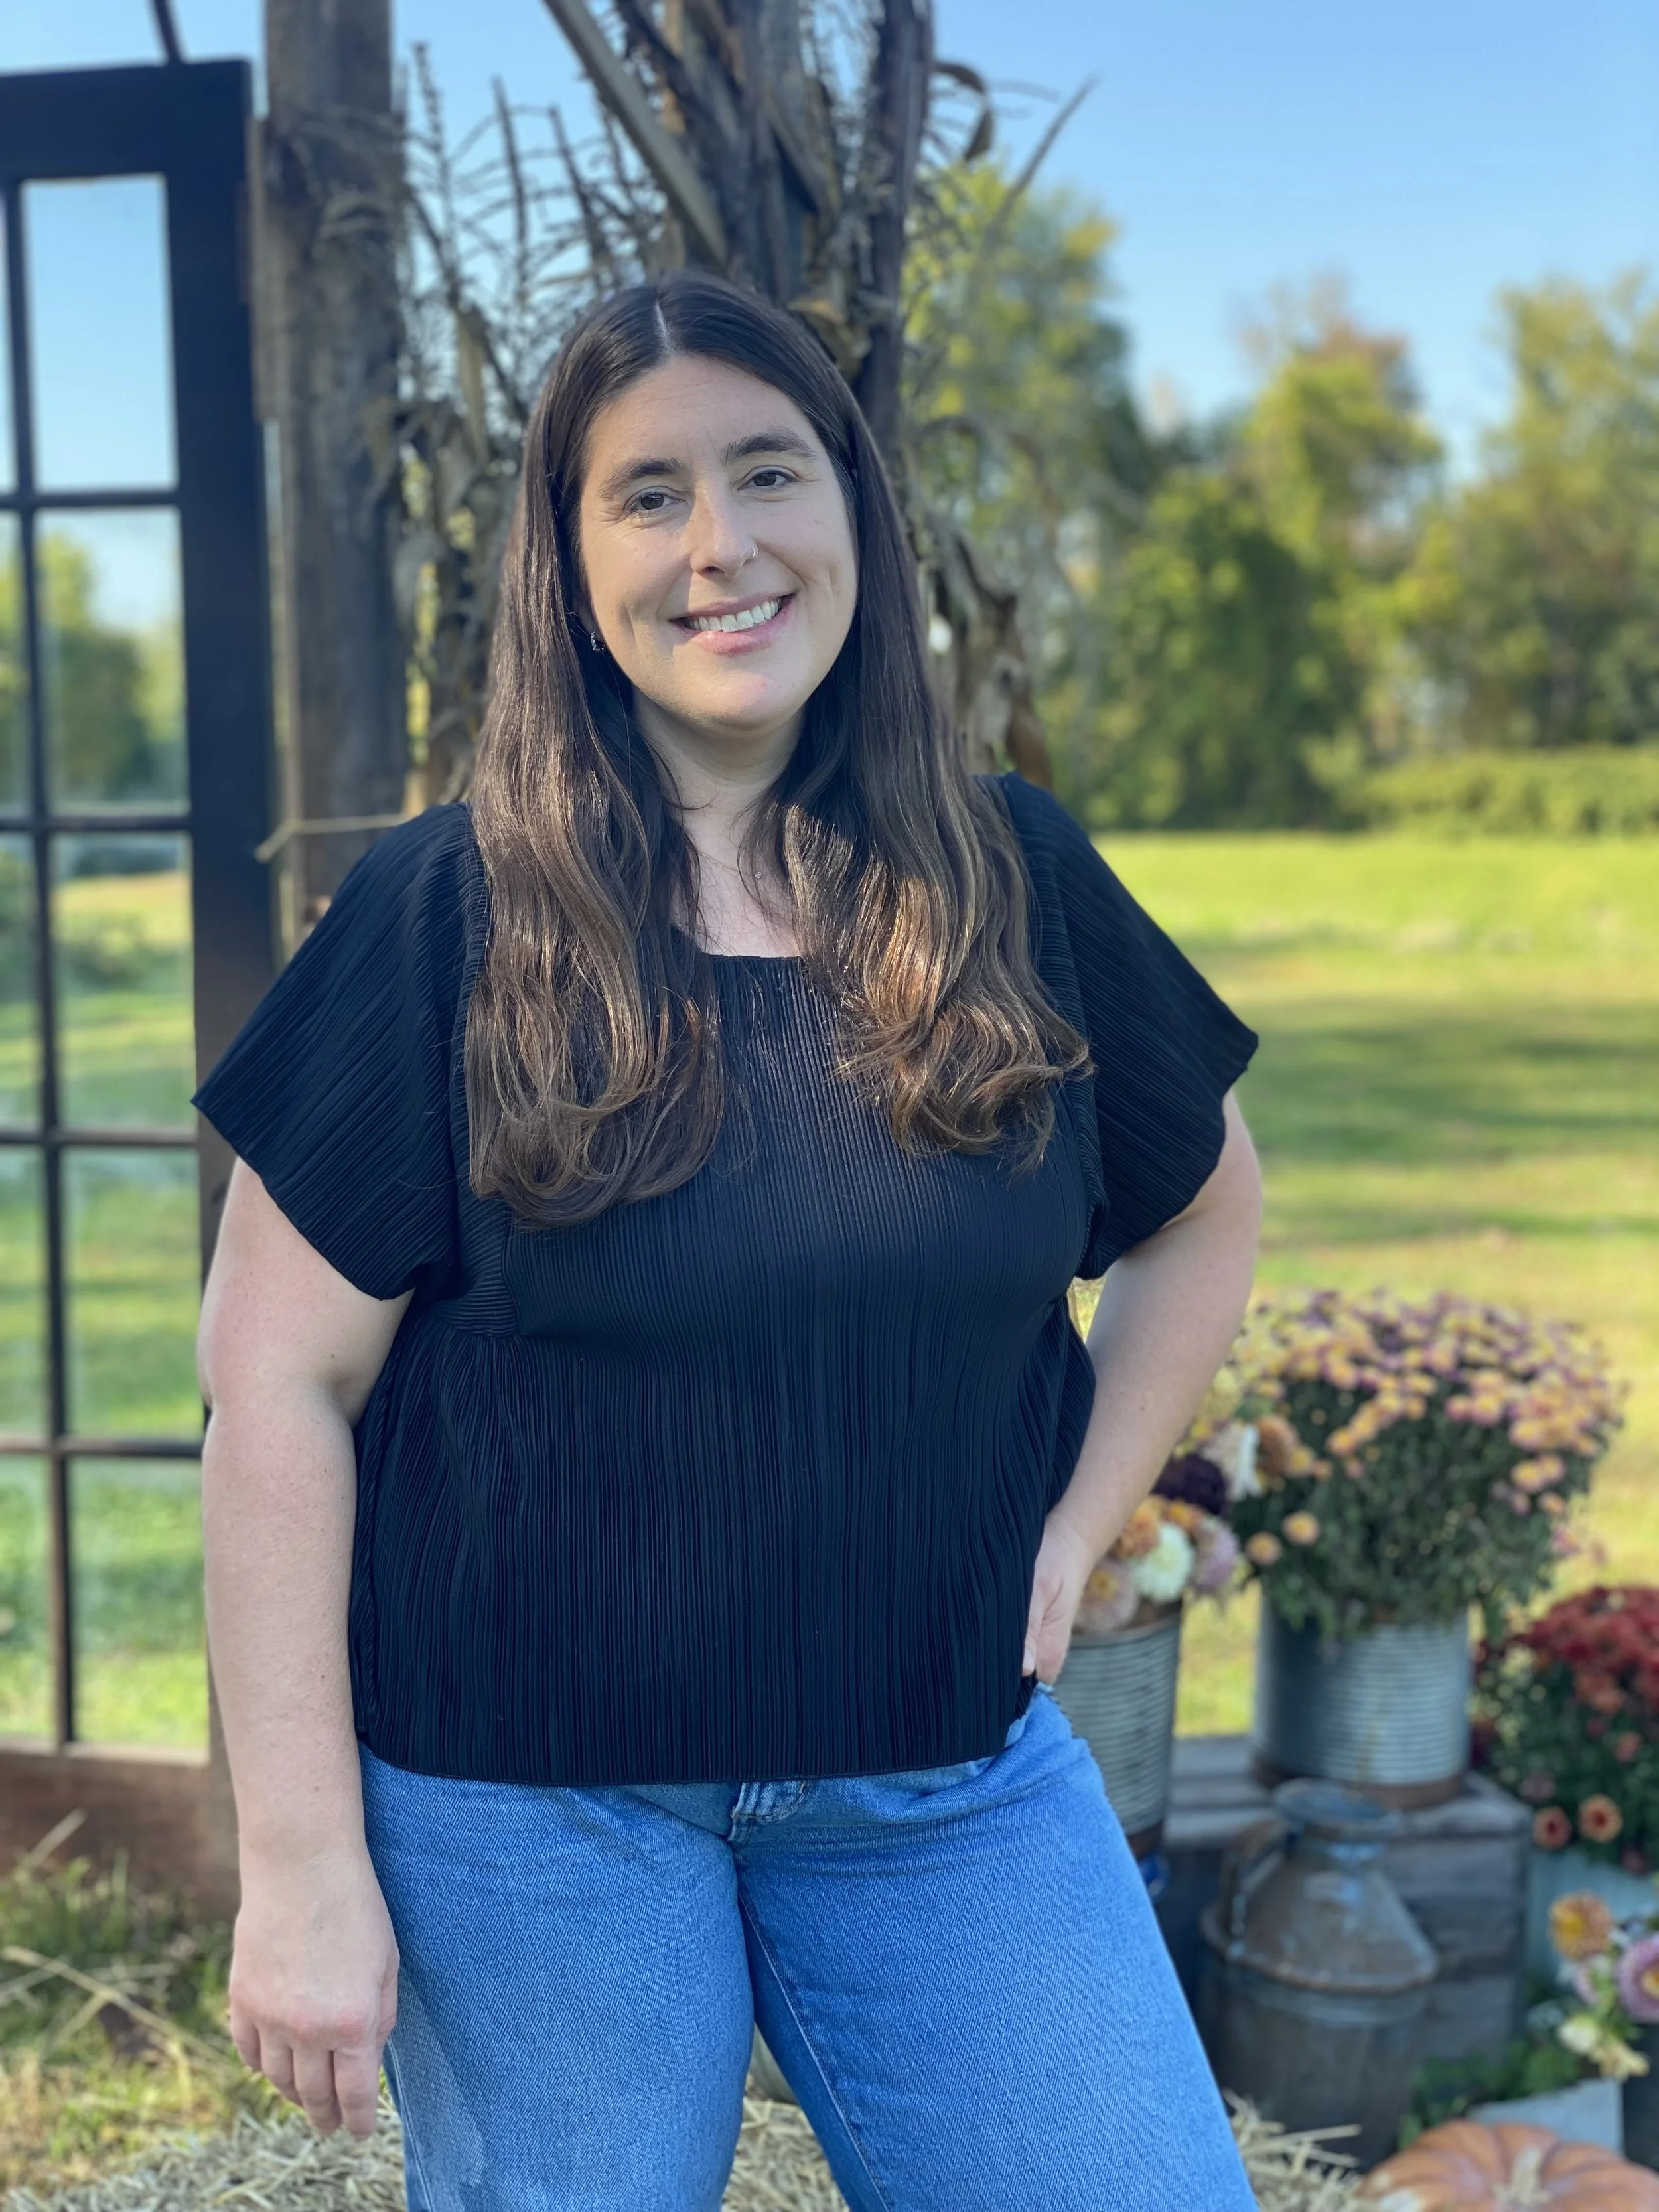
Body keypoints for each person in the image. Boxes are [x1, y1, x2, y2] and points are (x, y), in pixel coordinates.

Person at [194, 271, 1263, 2211]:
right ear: (569, 555)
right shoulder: (446, 918)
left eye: (766, 472)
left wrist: (1074, 1519)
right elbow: (273, 1379)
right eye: (647, 493)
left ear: (851, 508)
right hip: (533, 1800)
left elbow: (1202, 1207)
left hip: (940, 1772)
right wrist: (301, 1857)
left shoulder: (1008, 875)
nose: (719, 547)